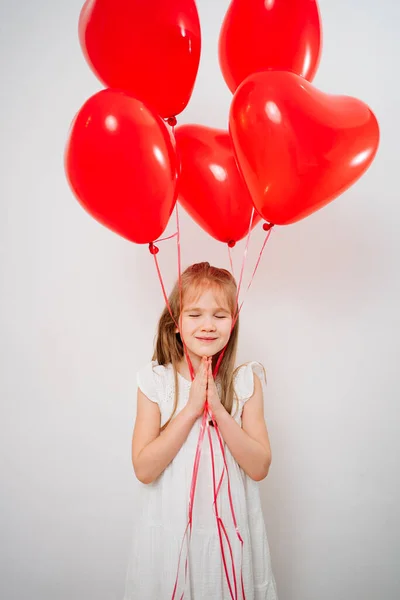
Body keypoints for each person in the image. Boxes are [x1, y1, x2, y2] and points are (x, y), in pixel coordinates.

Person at [123, 262, 278, 599]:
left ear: (232, 322)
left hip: (229, 531)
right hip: (171, 530)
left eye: (219, 315)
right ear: (176, 323)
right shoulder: (155, 381)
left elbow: (260, 466)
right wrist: (192, 409)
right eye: (195, 315)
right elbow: (144, 469)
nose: (208, 325)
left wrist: (218, 411)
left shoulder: (244, 381)